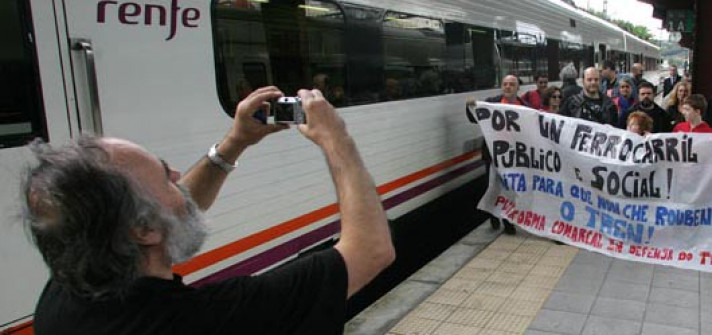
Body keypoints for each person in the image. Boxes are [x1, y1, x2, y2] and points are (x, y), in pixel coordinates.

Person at [24, 87, 395, 334]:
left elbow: (170, 211)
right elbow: (371, 250)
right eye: (165, 175)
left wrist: (233, 144)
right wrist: (337, 140)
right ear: (143, 230)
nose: (176, 175)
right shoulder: (204, 319)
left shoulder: (68, 291)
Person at [467, 74, 524, 234]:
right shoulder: (491, 103)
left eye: (511, 84)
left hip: (513, 157)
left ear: (517, 87)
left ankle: (507, 221)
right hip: (492, 156)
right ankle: (493, 214)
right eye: (505, 84)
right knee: (492, 187)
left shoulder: (523, 106)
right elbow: (474, 117)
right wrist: (469, 106)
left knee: (509, 190)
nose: (508, 87)